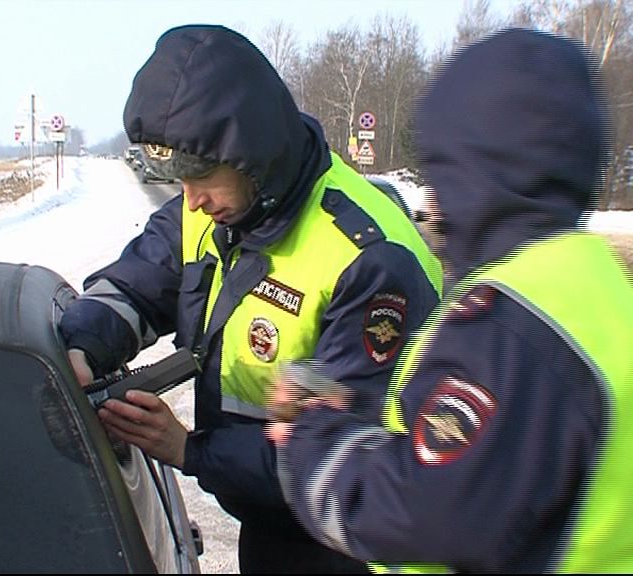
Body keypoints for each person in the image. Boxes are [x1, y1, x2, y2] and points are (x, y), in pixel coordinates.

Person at [59, 24, 443, 574]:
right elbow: (136, 282)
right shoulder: (219, 205)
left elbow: (350, 458)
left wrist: (189, 451)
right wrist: (84, 346)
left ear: (251, 156)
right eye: (177, 178)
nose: (190, 199)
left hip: (355, 548)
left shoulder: (367, 256)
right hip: (272, 523)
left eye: (201, 176)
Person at [267, 27, 633, 573]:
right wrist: (357, 414)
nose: (434, 201)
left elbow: (428, 514)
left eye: (441, 170)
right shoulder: (596, 285)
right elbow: (508, 464)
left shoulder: (509, 317)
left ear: (473, 170)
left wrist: (312, 439)